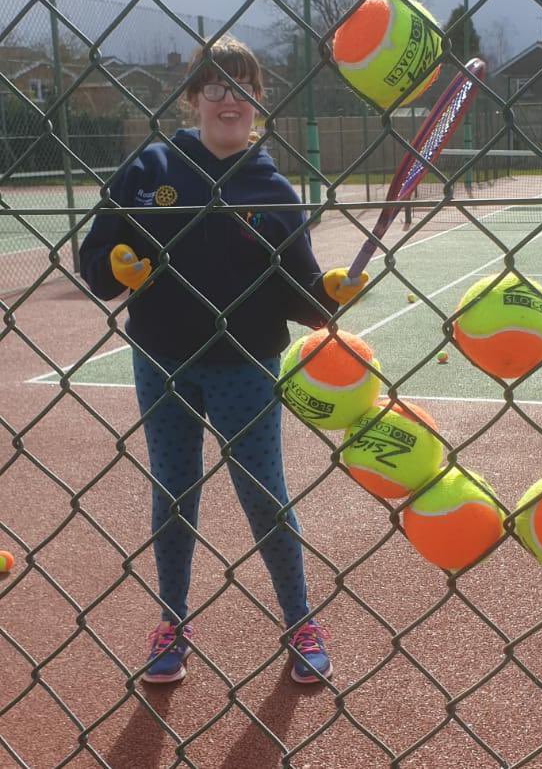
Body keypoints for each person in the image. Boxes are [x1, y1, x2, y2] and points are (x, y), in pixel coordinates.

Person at [79, 35, 367, 685]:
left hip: (246, 366)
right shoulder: (148, 169)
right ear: (191, 99)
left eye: (240, 86)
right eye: (213, 86)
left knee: (264, 497)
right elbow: (94, 260)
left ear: (258, 99)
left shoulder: (273, 188)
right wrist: (116, 266)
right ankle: (172, 623)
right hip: (163, 363)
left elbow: (302, 298)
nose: (227, 98)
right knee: (174, 495)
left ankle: (299, 621)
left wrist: (331, 294)